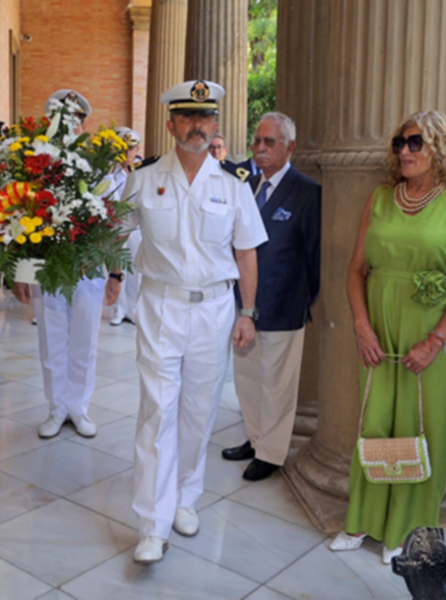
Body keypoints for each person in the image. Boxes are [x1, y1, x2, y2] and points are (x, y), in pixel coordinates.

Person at [120, 80, 268, 564]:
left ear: (215, 124)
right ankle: (152, 523)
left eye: (205, 117)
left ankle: (185, 497)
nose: (197, 126)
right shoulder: (143, 179)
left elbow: (246, 253)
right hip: (161, 305)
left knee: (198, 411)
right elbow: (111, 231)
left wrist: (247, 312)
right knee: (157, 411)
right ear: (171, 125)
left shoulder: (233, 184)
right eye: (187, 117)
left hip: (215, 309)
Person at [330, 111, 446, 564]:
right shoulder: (381, 197)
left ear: (441, 147)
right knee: (374, 421)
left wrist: (434, 341)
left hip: (433, 330)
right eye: (400, 143)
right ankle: (363, 518)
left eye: (416, 142)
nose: (405, 151)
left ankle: (407, 528)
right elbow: (356, 269)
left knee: (422, 425)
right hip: (378, 325)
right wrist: (362, 327)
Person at [13, 90, 120, 439]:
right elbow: (21, 219)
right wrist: (20, 272)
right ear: (50, 122)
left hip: (88, 270)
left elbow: (114, 223)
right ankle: (57, 408)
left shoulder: (100, 166)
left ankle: (79, 407)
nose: (69, 125)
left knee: (85, 342)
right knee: (51, 342)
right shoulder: (35, 164)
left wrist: (116, 273)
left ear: (84, 125)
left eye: (75, 119)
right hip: (47, 269)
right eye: (62, 118)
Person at [221, 112, 321, 481]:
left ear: (290, 147)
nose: (260, 148)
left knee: (276, 385)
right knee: (247, 378)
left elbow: (315, 257)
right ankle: (254, 438)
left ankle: (271, 453)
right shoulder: (244, 185)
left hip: (284, 305)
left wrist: (301, 298)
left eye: (270, 142)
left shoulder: (307, 191)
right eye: (257, 141)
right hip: (243, 305)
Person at [108, 126, 143, 326]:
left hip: (136, 229)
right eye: (123, 149)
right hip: (116, 228)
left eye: (131, 149)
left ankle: (133, 308)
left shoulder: (142, 172)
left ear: (137, 149)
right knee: (117, 267)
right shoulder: (111, 174)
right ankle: (119, 309)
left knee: (135, 269)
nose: (127, 153)